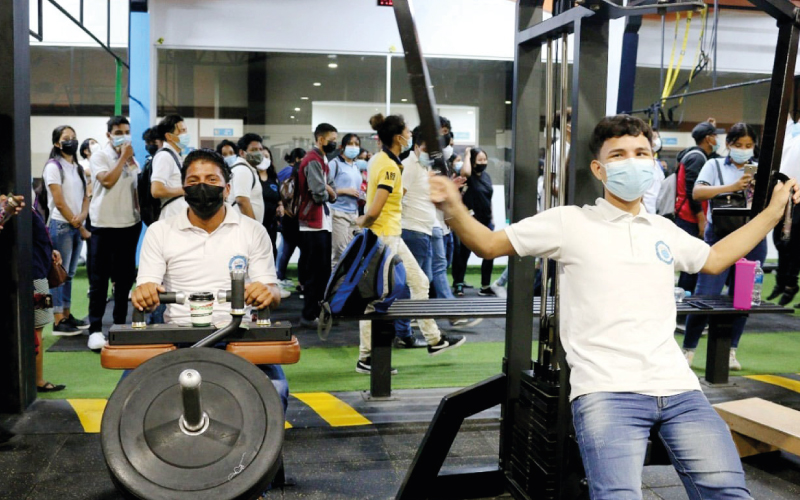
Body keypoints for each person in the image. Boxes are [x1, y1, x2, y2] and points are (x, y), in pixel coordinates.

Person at [430, 114, 799, 500]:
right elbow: (488, 245)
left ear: (653, 163)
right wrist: (454, 208)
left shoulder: (663, 230)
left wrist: (773, 213)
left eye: (641, 152)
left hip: (679, 389)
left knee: (728, 493)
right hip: (607, 391)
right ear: (599, 169)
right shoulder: (569, 223)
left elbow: (715, 258)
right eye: (619, 155)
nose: (633, 161)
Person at [131, 149, 288, 414]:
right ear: (183, 189)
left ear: (227, 189)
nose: (202, 186)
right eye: (193, 181)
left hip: (239, 334)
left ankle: (264, 457)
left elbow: (271, 290)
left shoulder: (252, 230)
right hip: (178, 336)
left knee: (275, 392)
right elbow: (147, 286)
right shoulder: (160, 231)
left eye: (211, 180)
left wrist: (266, 292)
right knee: (131, 401)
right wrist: (144, 292)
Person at [357, 113, 465, 374]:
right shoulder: (391, 167)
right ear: (398, 137)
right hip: (385, 237)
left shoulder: (382, 161)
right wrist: (360, 224)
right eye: (406, 132)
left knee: (418, 283)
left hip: (389, 235)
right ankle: (367, 356)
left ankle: (434, 339)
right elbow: (375, 208)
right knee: (378, 298)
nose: (409, 136)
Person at [682, 123, 764, 370]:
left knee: (742, 300)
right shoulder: (714, 164)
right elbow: (697, 193)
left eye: (748, 146)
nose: (743, 150)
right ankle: (688, 350)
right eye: (738, 145)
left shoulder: (761, 168)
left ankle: (730, 350)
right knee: (705, 296)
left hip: (752, 240)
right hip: (718, 238)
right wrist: (731, 187)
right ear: (728, 144)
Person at [86, 116, 143, 350]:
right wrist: (122, 157)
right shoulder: (100, 155)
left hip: (129, 225)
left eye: (127, 131)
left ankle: (119, 326)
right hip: (104, 225)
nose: (123, 135)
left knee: (124, 280)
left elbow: (134, 189)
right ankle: (95, 329)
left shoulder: (132, 159)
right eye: (118, 131)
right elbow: (107, 181)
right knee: (99, 281)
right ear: (109, 134)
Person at [42, 125, 90, 335]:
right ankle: (58, 320)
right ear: (56, 143)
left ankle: (68, 315)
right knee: (58, 274)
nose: (71, 141)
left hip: (76, 224)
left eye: (74, 137)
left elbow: (86, 197)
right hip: (61, 225)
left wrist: (81, 218)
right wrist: (76, 222)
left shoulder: (77, 168)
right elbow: (59, 202)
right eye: (66, 138)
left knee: (69, 274)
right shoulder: (53, 166)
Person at [296, 123, 338, 328]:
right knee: (315, 272)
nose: (334, 143)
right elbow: (319, 193)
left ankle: (317, 313)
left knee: (323, 272)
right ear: (321, 139)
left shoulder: (322, 159)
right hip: (312, 224)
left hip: (322, 222)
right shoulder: (312, 160)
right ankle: (308, 315)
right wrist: (330, 191)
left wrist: (330, 191)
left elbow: (330, 190)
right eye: (332, 139)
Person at [674, 120, 719, 293]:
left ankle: (686, 301)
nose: (717, 139)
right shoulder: (697, 157)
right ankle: (686, 303)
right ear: (708, 139)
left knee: (691, 261)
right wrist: (701, 219)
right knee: (691, 262)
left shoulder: (695, 156)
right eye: (715, 136)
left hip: (687, 216)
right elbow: (693, 191)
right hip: (689, 217)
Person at [452, 147, 496, 297]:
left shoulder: (487, 177)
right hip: (470, 221)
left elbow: (489, 199)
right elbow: (464, 172)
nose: (483, 162)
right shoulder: (468, 177)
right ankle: (458, 284)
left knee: (490, 253)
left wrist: (493, 218)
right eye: (480, 160)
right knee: (463, 253)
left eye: (485, 159)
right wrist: (467, 154)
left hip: (486, 221)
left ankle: (485, 286)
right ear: (472, 161)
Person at [32, 201, 65, 392]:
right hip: (36, 280)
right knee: (37, 329)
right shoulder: (21, 209)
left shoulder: (28, 209)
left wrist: (49, 251)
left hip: (39, 276)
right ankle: (38, 380)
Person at [329, 133, 364, 268]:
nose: (354, 147)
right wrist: (344, 190)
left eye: (356, 144)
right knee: (339, 253)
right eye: (350, 144)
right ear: (342, 146)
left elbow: (356, 187)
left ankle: (346, 286)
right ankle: (334, 287)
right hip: (338, 213)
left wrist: (361, 195)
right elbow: (324, 188)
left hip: (353, 214)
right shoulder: (334, 164)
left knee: (352, 253)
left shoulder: (355, 166)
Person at [276, 148, 306, 290]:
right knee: (296, 251)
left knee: (286, 250)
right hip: (297, 220)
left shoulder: (284, 173)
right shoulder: (294, 174)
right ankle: (300, 281)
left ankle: (280, 277)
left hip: (289, 219)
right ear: (299, 158)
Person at [151, 114, 189, 220]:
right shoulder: (164, 156)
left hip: (178, 215)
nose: (185, 135)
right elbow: (156, 190)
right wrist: (185, 190)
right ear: (169, 136)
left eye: (185, 130)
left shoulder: (175, 156)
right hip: (171, 216)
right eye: (181, 131)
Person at [225, 133, 266, 223]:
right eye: (254, 150)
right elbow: (242, 201)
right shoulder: (243, 170)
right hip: (242, 229)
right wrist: (254, 228)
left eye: (260, 149)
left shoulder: (248, 169)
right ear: (242, 153)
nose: (259, 153)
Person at [642, 130, 666, 214]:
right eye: (654, 137)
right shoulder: (641, 163)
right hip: (644, 212)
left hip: (657, 212)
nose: (657, 140)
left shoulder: (657, 164)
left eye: (658, 137)